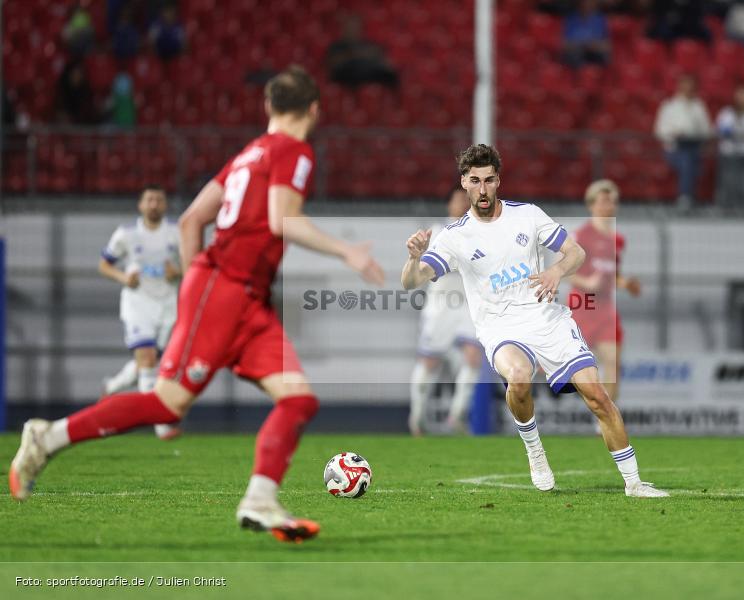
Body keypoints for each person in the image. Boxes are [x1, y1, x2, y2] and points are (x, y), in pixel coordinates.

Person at [10, 66, 386, 544]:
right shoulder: (295, 151)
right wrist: (346, 251)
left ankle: (260, 498)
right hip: (227, 289)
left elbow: (190, 221)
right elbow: (282, 220)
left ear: (268, 107)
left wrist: (195, 288)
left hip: (241, 297)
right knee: (167, 404)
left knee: (297, 399)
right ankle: (48, 437)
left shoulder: (245, 156)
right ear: (314, 109)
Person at [400, 144, 668, 498]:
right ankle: (535, 451)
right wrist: (413, 258)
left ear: (499, 180)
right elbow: (412, 281)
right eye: (475, 180)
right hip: (499, 326)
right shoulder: (453, 236)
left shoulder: (527, 215)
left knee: (598, 396)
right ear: (464, 182)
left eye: (489, 180)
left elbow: (576, 252)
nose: (483, 189)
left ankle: (634, 483)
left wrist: (556, 271)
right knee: (520, 377)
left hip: (546, 318)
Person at [98, 185, 182, 440]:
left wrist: (177, 272)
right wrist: (124, 278)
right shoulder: (126, 234)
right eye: (149, 199)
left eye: (159, 199)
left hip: (168, 305)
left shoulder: (176, 233)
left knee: (153, 362)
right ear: (141, 205)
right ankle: (160, 424)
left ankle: (113, 386)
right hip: (138, 303)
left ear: (165, 205)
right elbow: (104, 264)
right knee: (147, 357)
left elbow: (196, 263)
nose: (154, 204)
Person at [568, 180, 640, 434]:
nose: (608, 205)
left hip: (606, 311)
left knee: (613, 364)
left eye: (612, 201)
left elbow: (613, 275)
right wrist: (586, 282)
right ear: (591, 205)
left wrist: (626, 283)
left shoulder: (618, 240)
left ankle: (605, 420)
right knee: (576, 367)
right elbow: (565, 271)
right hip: (583, 307)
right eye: (602, 200)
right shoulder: (581, 235)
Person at [409, 186, 482, 436]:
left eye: (466, 199)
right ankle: (417, 417)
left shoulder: (480, 233)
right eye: (458, 199)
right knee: (430, 360)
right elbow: (431, 268)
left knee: (473, 356)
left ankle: (457, 415)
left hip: (468, 305)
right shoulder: (438, 232)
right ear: (449, 205)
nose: (462, 203)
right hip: (441, 304)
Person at [654, 73, 712, 210]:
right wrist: (674, 134)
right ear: (679, 87)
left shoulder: (699, 106)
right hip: (674, 148)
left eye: (691, 86)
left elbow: (707, 130)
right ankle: (685, 197)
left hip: (694, 146)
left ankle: (688, 196)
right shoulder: (669, 106)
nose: (688, 89)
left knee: (691, 158)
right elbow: (660, 130)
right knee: (687, 160)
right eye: (685, 86)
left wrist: (695, 134)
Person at [326, 14, 399, 89]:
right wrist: (352, 54)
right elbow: (333, 64)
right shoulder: (337, 46)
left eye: (356, 27)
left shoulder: (369, 44)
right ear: (344, 29)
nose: (353, 30)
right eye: (350, 27)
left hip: (369, 74)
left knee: (390, 76)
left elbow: (385, 61)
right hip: (348, 75)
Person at [562, 0, 611, 68]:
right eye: (584, 2)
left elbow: (607, 46)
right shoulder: (570, 19)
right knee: (573, 57)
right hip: (576, 54)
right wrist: (581, 45)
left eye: (590, 2)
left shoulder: (601, 20)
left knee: (604, 58)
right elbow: (564, 44)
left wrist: (593, 45)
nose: (587, 4)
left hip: (594, 53)